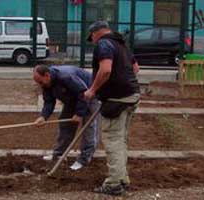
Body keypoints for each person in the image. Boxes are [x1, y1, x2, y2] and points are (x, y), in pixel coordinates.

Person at [83, 21, 140, 196]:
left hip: (116, 100)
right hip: (132, 96)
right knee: (120, 139)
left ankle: (114, 184)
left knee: (113, 140)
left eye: (91, 37)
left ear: (95, 33)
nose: (92, 41)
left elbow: (106, 70)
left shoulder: (104, 43)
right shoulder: (121, 44)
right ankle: (122, 178)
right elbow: (136, 68)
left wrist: (92, 90)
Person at [33, 65, 100, 170]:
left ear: (47, 75)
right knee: (65, 124)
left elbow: (83, 93)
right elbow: (49, 102)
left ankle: (84, 158)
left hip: (89, 95)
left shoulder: (65, 77)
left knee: (88, 127)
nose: (40, 85)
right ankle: (59, 154)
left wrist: (79, 113)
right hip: (73, 99)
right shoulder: (46, 84)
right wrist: (43, 116)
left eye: (41, 82)